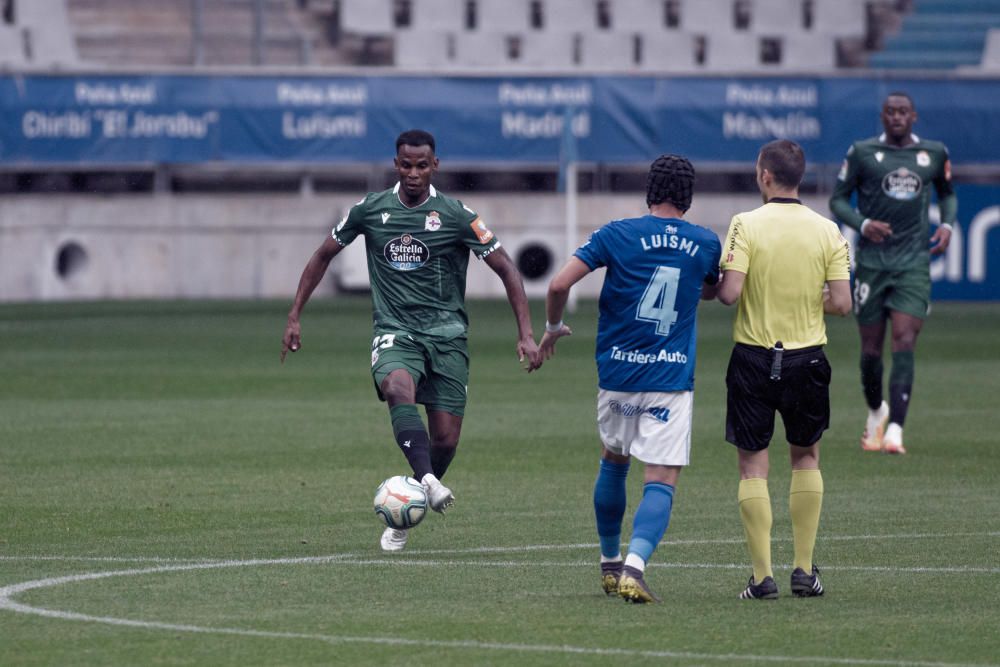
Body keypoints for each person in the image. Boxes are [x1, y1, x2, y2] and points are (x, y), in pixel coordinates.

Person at [281, 129, 539, 552]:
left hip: (448, 337)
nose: (414, 173)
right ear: (395, 164)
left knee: (446, 440)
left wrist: (526, 333)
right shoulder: (371, 209)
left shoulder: (456, 215)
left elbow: (508, 270)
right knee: (397, 386)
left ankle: (411, 502)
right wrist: (294, 315)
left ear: (435, 165)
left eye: (422, 165)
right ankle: (430, 484)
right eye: (406, 165)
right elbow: (323, 254)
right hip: (395, 331)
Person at [531, 154, 722, 603]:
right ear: (689, 197)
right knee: (661, 475)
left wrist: (554, 329)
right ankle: (635, 568)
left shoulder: (616, 233)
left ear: (650, 191)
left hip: (616, 371)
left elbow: (559, 285)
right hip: (670, 376)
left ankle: (609, 562)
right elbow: (713, 289)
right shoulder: (705, 242)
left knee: (614, 459)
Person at [717, 139, 852, 600]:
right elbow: (842, 303)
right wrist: (808, 299)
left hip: (754, 357)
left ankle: (761, 577)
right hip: (807, 358)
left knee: (753, 467)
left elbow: (730, 293)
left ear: (766, 176)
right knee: (806, 457)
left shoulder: (745, 224)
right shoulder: (828, 231)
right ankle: (802, 569)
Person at [830, 91, 957, 455]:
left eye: (903, 111)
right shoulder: (862, 153)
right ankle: (877, 410)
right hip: (871, 263)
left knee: (903, 340)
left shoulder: (933, 153)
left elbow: (948, 193)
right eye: (891, 111)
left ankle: (896, 430)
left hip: (913, 263)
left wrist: (947, 225)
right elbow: (838, 198)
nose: (897, 117)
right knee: (870, 350)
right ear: (882, 116)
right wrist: (862, 222)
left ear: (914, 116)